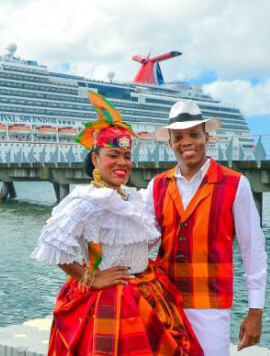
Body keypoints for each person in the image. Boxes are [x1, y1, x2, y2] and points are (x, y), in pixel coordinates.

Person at [31, 91, 203, 355]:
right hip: (110, 298)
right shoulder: (86, 201)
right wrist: (91, 278)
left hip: (150, 291)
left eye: (126, 156)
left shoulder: (132, 197)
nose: (122, 163)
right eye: (114, 155)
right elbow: (53, 246)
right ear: (95, 159)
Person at [144, 100, 267, 355]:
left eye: (193, 135)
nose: (186, 142)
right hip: (164, 301)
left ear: (206, 137)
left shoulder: (235, 184)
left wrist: (255, 311)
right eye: (178, 137)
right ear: (170, 143)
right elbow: (143, 242)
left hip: (211, 305)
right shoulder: (156, 186)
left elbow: (252, 249)